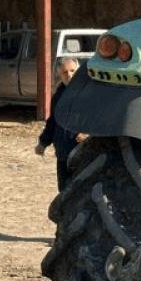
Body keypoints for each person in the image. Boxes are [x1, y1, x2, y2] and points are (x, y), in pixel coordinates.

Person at [36, 57, 82, 191]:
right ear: (59, 74)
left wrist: (89, 134)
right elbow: (52, 122)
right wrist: (43, 143)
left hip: (82, 153)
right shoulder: (58, 96)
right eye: (65, 72)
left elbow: (100, 118)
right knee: (64, 192)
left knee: (81, 192)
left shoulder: (89, 93)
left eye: (73, 71)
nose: (69, 75)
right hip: (63, 153)